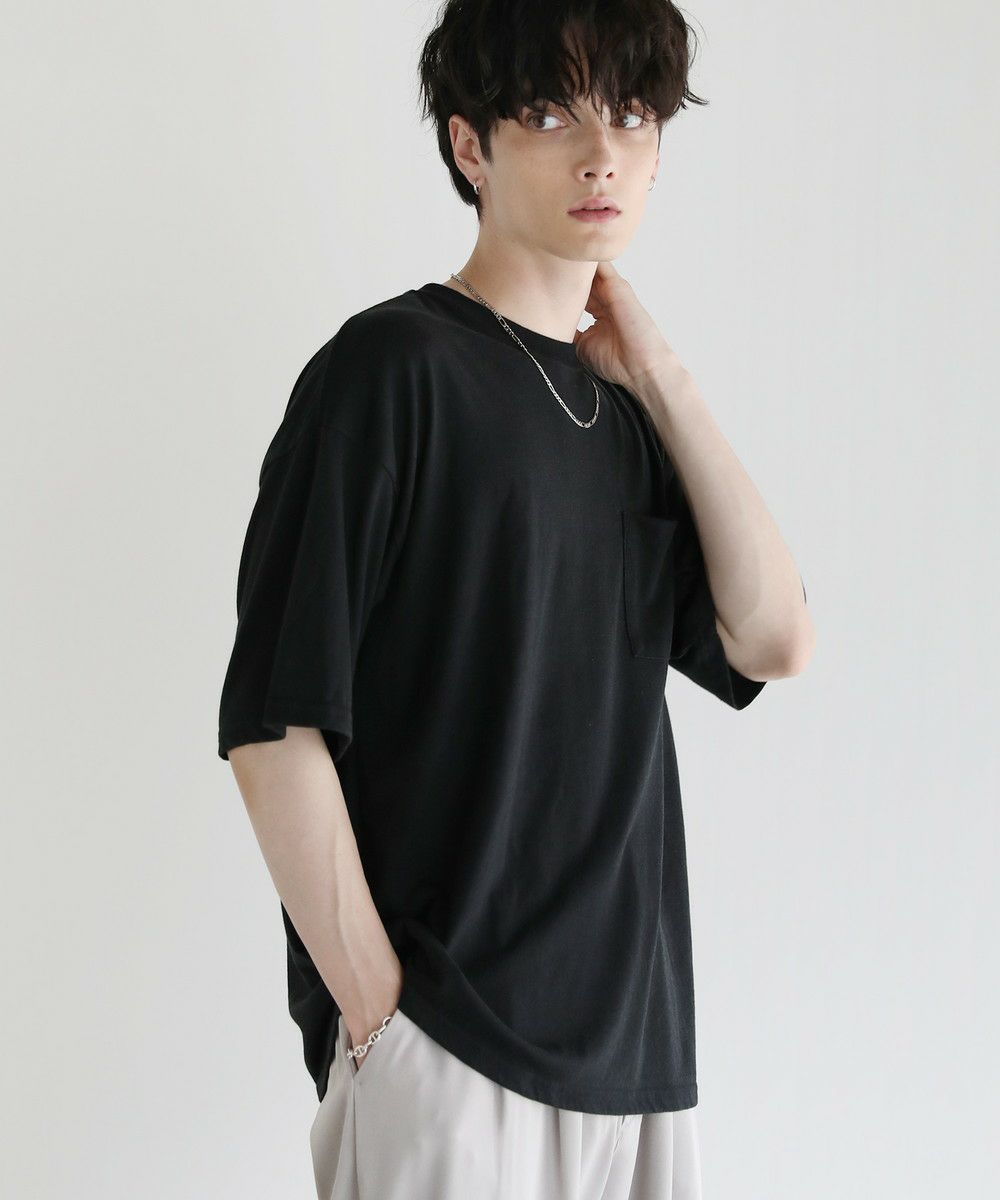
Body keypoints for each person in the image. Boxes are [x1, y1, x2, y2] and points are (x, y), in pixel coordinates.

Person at [217, 3, 815, 1197]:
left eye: (630, 116)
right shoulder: (390, 373)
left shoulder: (624, 415)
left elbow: (773, 639)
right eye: (548, 114)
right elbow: (273, 724)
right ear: (468, 145)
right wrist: (381, 1017)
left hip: (637, 1062)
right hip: (453, 1048)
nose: (600, 155)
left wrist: (660, 373)